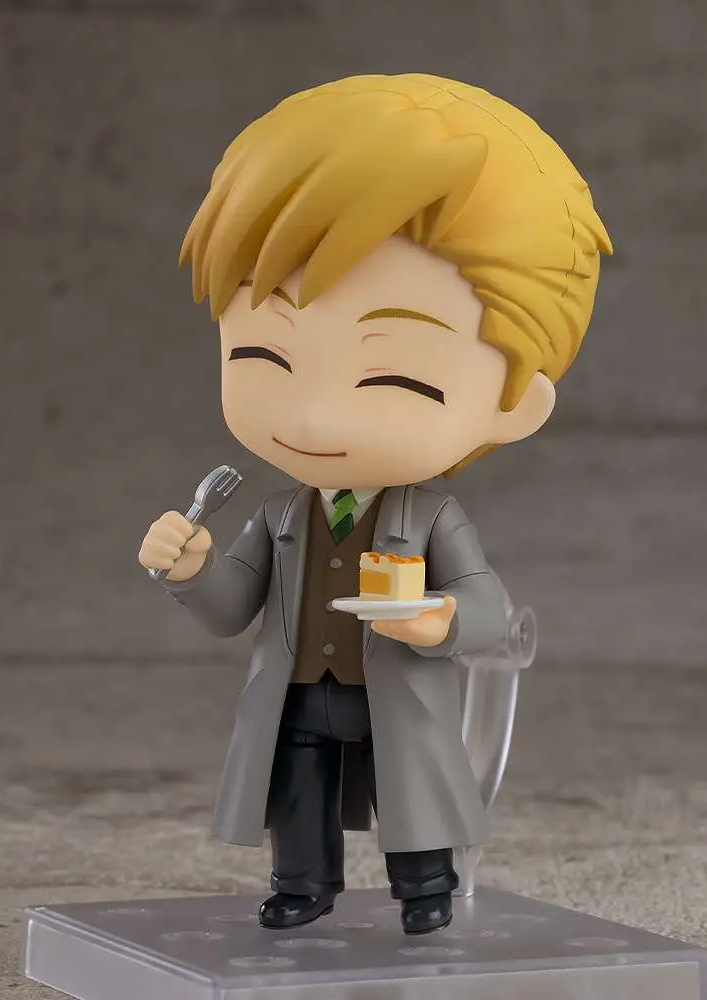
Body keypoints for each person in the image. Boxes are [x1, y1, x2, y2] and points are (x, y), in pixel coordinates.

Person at [138, 73, 611, 935]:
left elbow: (488, 601)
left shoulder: (431, 518)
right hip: (297, 694)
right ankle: (302, 884)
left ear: (516, 404)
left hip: (396, 693)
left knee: (411, 790)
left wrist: (439, 619)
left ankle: (425, 888)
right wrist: (193, 569)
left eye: (393, 375)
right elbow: (232, 607)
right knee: (298, 790)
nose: (316, 417)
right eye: (264, 359)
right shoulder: (280, 516)